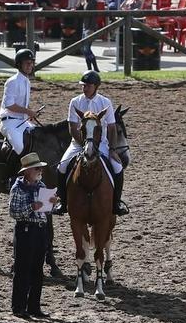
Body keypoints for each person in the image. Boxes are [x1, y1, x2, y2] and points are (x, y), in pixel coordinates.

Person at [53, 70, 129, 216]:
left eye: (88, 85)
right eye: (83, 85)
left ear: (96, 86)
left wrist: (112, 149)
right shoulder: (75, 102)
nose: (84, 88)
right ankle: (62, 202)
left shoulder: (105, 102)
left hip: (101, 143)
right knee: (62, 166)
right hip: (78, 143)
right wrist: (84, 144)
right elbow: (72, 127)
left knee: (117, 167)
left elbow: (112, 127)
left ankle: (116, 203)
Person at [9, 152, 57, 318]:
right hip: (25, 231)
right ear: (28, 171)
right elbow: (14, 212)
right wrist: (32, 207)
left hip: (40, 231)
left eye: (40, 168)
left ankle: (34, 307)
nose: (40, 171)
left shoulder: (41, 185)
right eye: (37, 168)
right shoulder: (17, 189)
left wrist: (52, 204)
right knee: (22, 270)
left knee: (37, 270)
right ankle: (18, 307)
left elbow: (46, 210)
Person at [0, 49, 39, 155]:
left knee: (40, 138)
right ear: (19, 64)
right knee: (19, 148)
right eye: (27, 63)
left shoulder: (27, 81)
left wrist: (29, 113)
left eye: (32, 63)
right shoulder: (12, 81)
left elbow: (23, 103)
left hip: (23, 121)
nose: (30, 65)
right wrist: (28, 111)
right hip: (10, 122)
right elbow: (9, 105)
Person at [76, 0, 99, 72]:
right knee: (84, 49)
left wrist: (91, 29)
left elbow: (93, 16)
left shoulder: (93, 2)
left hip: (90, 27)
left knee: (87, 48)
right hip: (84, 27)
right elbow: (78, 8)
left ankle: (95, 68)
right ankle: (89, 68)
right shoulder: (85, 1)